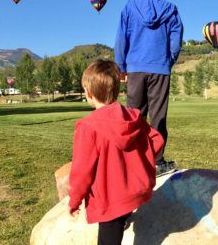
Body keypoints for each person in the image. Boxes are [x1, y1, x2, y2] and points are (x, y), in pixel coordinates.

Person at [68, 60, 164, 245]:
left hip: (111, 201)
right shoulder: (133, 117)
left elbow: (82, 171)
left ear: (88, 93)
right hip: (135, 191)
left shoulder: (88, 127)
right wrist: (138, 161)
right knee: (120, 217)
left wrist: (74, 201)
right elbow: (156, 140)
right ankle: (125, 216)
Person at [114, 0, 184, 176]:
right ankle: (157, 161)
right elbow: (176, 41)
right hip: (160, 68)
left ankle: (130, 160)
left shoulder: (128, 8)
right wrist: (167, 60)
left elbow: (121, 40)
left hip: (135, 68)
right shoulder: (170, 9)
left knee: (134, 115)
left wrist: (121, 67)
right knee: (158, 116)